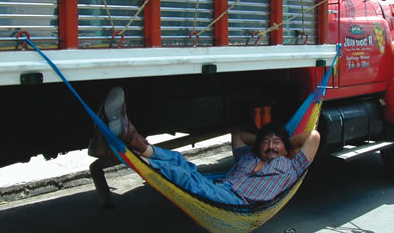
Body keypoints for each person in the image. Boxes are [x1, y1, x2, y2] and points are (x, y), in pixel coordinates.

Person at [88, 87, 320, 205]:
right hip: (218, 186)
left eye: (275, 143)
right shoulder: (247, 158)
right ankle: (135, 141)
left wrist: (283, 145)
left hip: (237, 202)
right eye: (266, 143)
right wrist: (263, 141)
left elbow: (314, 136)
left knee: (184, 177)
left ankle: (141, 157)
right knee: (182, 163)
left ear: (287, 149)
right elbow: (239, 134)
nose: (270, 146)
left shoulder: (292, 167)